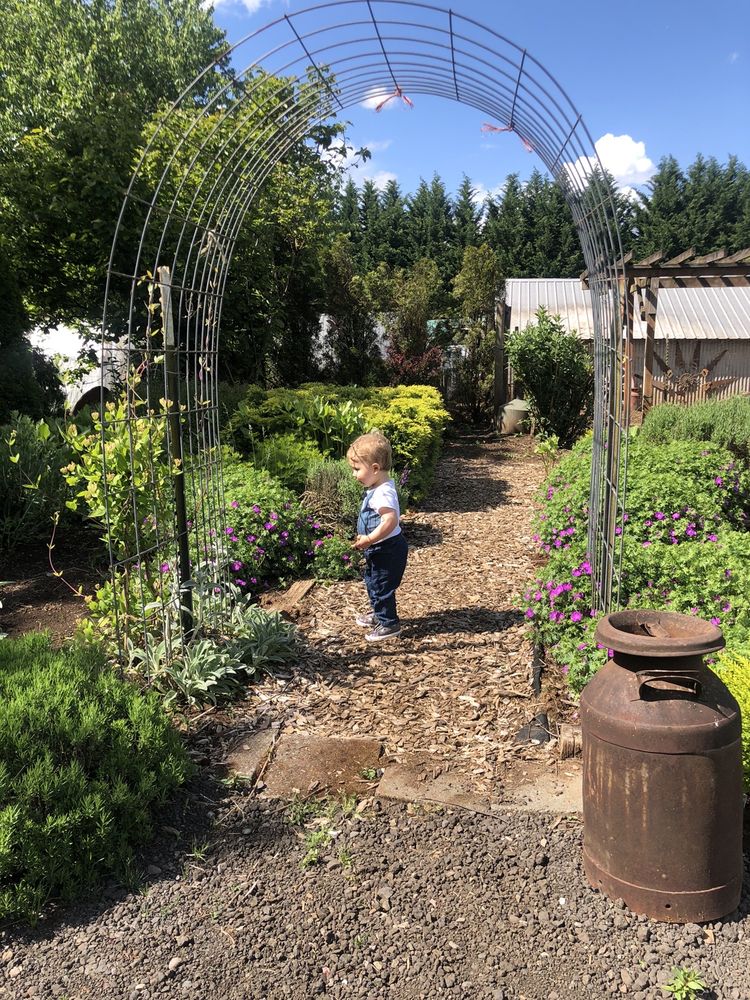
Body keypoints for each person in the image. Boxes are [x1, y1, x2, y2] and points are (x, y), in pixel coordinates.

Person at [347, 432, 408, 642]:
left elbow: (390, 520)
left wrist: (370, 538)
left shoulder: (383, 493)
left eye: (357, 469)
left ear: (374, 468)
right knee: (373, 581)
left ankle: (389, 623)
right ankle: (379, 614)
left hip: (386, 548)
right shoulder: (377, 487)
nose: (354, 475)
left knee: (381, 585)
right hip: (379, 547)